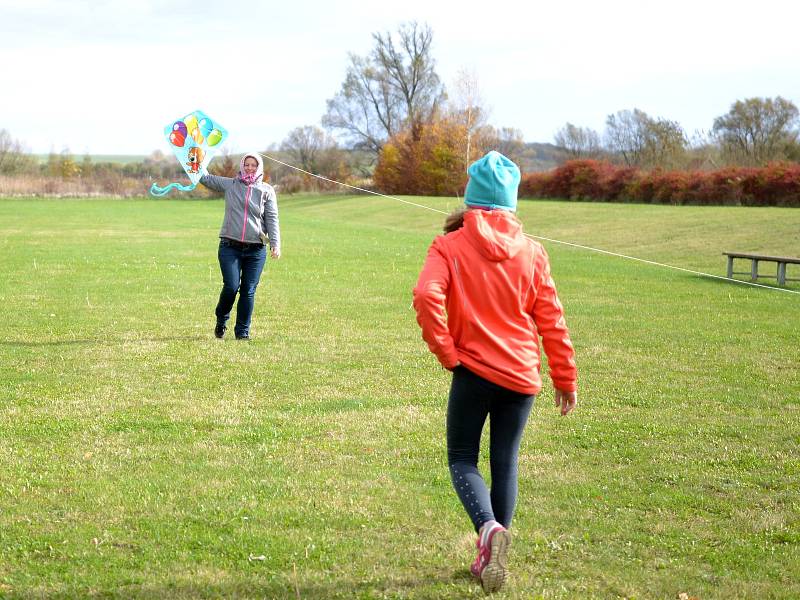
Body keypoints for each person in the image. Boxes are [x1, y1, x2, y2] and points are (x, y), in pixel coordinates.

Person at [412, 150, 578, 594]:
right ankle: (492, 550)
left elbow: (427, 296)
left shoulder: (447, 244)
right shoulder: (534, 252)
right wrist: (565, 377)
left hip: (474, 372)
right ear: (511, 203)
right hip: (521, 377)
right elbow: (552, 320)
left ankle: (488, 531)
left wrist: (446, 352)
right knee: (505, 461)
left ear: (471, 200)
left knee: (462, 458)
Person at [200, 153, 281, 340]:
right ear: (242, 166)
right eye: (247, 164)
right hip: (230, 246)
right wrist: (194, 159)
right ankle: (221, 319)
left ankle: (242, 332)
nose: (250, 168)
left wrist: (275, 244)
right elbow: (204, 178)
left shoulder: (267, 190)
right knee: (231, 286)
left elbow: (272, 218)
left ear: (259, 167)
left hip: (256, 250)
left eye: (254, 165)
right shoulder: (231, 184)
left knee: (248, 290)